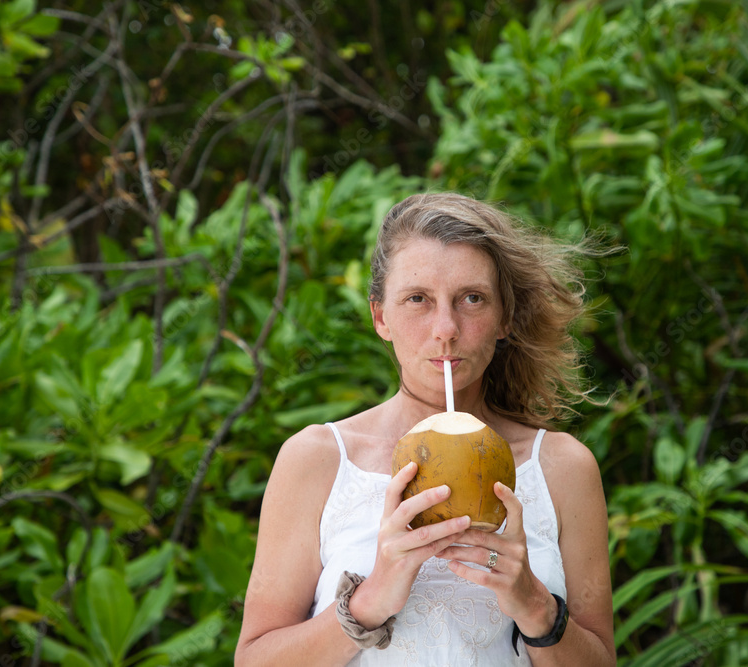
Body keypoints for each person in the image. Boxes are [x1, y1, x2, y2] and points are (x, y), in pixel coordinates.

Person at [235, 192, 615, 666]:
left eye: (471, 299)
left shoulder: (562, 466)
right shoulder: (316, 459)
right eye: (418, 299)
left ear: (504, 318)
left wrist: (534, 604)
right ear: (381, 317)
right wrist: (371, 601)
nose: (446, 328)